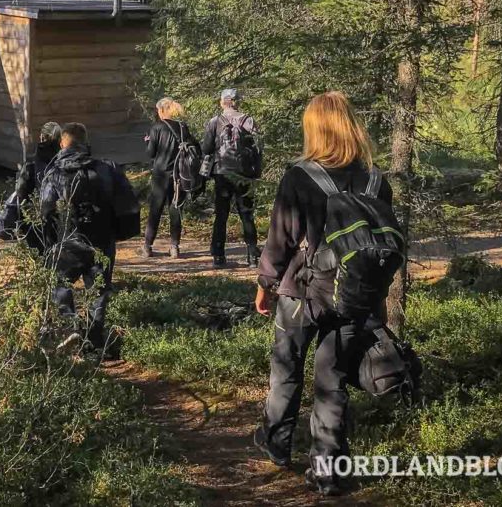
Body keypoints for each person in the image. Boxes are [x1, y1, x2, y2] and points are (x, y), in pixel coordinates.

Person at [252, 91, 394, 496]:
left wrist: (265, 285)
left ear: (313, 127)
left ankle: (277, 445)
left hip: (302, 293)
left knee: (286, 370)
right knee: (332, 382)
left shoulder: (299, 176)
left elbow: (280, 240)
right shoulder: (375, 179)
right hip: (353, 298)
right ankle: (329, 472)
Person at [39, 122, 119, 357]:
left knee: (58, 283)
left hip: (68, 240)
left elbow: (45, 209)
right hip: (102, 241)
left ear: (63, 143)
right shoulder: (106, 168)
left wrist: (51, 239)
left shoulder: (54, 173)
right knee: (99, 291)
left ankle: (72, 326)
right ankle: (93, 345)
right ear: (85, 141)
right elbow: (122, 203)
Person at [201, 88, 261, 268]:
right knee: (247, 215)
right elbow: (258, 149)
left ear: (222, 102)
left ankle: (219, 256)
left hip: (222, 173)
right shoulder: (248, 120)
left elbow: (206, 149)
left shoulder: (215, 122)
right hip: (244, 175)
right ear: (237, 101)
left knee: (221, 215)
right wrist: (256, 172)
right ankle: (252, 256)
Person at [143, 97, 198, 259]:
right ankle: (174, 247)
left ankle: (147, 247)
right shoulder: (182, 127)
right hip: (179, 175)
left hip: (160, 175)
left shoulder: (156, 128)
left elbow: (150, 153)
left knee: (155, 210)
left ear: (161, 110)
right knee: (176, 210)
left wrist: (147, 142)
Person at [13, 122, 62, 253]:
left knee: (41, 254)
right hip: (64, 215)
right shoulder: (66, 159)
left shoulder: (32, 161)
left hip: (37, 215)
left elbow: (21, 192)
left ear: (41, 137)